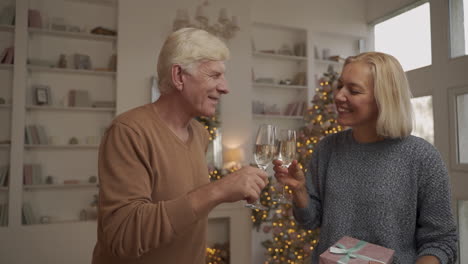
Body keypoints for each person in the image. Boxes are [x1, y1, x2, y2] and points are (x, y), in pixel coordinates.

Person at [92, 28, 268, 264]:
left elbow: (187, 215)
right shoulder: (128, 131)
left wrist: (227, 192)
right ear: (178, 76)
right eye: (214, 76)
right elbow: (123, 235)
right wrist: (217, 190)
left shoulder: (200, 134)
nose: (225, 87)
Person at [273, 52, 458, 264]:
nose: (339, 96)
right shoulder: (327, 149)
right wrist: (299, 191)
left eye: (353, 90)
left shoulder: (422, 157)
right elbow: (310, 221)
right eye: (340, 86)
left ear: (384, 97)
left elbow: (441, 241)